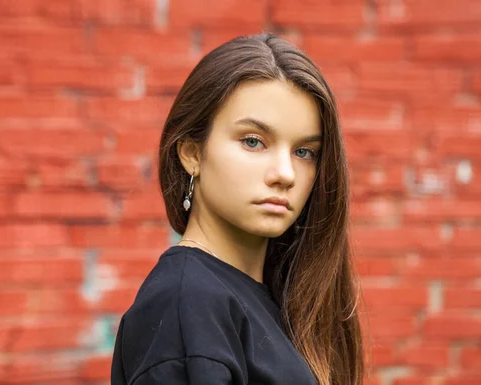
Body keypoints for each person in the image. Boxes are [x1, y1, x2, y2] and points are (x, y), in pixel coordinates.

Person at [111, 33, 366, 385]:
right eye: (253, 141)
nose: (285, 174)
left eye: (304, 151)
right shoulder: (187, 303)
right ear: (192, 153)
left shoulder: (279, 298)